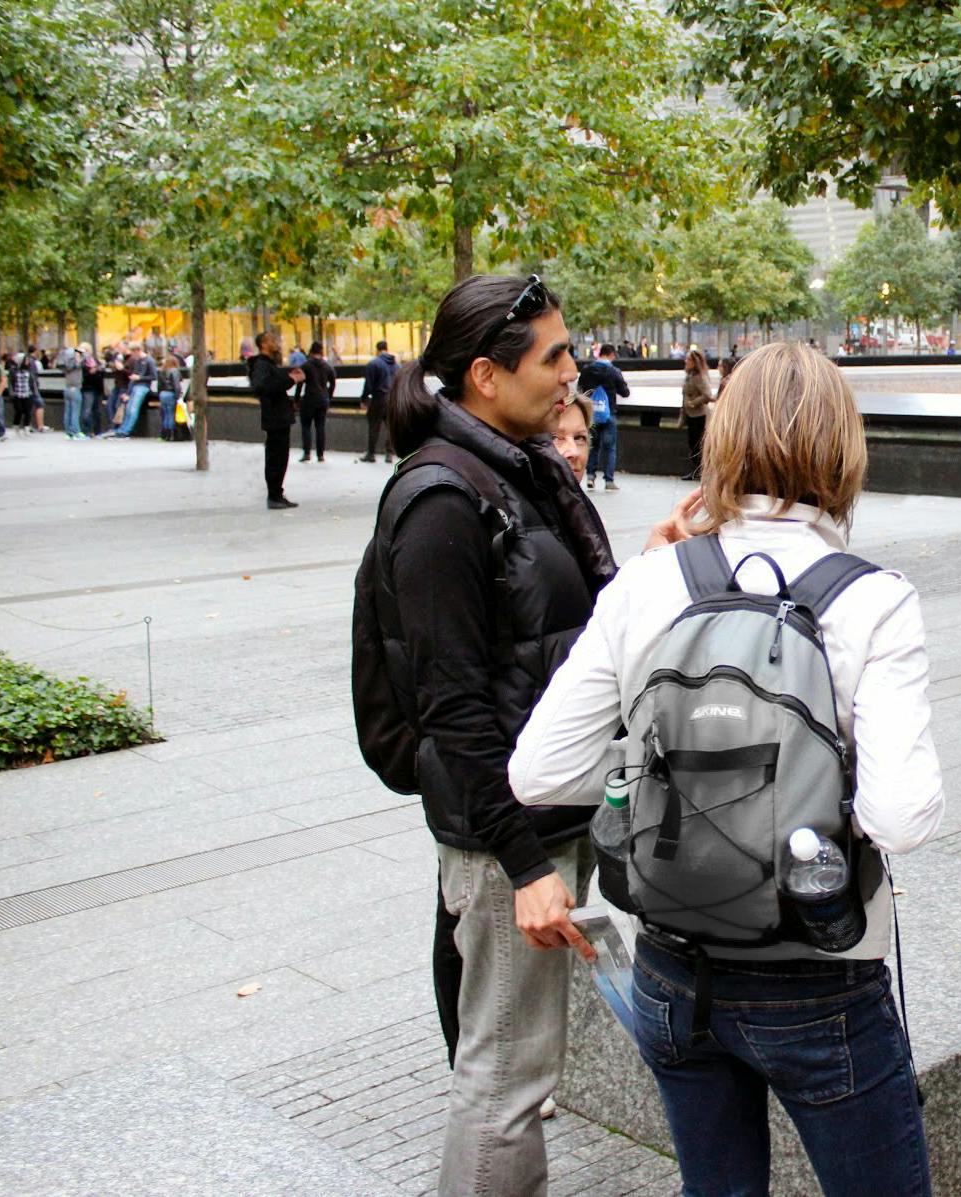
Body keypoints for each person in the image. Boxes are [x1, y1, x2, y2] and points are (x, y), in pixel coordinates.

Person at [509, 342, 943, 1197]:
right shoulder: (874, 599)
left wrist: (665, 761)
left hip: (674, 969)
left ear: (722, 439)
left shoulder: (647, 582)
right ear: (843, 450)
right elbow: (900, 818)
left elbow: (537, 772)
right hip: (820, 976)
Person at [366, 273, 616, 1197]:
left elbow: (557, 637)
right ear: (484, 374)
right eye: (554, 355)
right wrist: (523, 865)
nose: (571, 371)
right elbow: (454, 708)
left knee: (519, 1067)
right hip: (508, 833)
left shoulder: (519, 471)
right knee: (507, 1075)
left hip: (548, 811)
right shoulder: (442, 499)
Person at [248, 331, 305, 509]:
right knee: (276, 458)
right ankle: (274, 496)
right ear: (263, 344)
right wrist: (290, 379)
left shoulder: (268, 364)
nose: (276, 342)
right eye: (272, 340)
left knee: (281, 457)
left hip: (279, 417)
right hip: (274, 418)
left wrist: (289, 376)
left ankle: (277, 494)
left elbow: (275, 380)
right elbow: (262, 386)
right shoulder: (261, 365)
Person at [577, 342, 627, 491]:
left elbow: (580, 389)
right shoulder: (613, 371)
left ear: (600, 354)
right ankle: (609, 481)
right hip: (609, 413)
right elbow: (625, 392)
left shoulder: (587, 370)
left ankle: (590, 477)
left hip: (592, 414)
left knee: (592, 446)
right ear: (611, 355)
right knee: (610, 448)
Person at [360, 340, 397, 463]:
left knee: (374, 426)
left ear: (377, 350)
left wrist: (364, 399)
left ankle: (371, 454)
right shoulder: (396, 365)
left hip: (379, 398)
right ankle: (389, 454)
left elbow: (368, 385)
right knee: (390, 427)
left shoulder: (374, 364)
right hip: (392, 399)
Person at [299, 339, 336, 462]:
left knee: (306, 426)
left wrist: (296, 399)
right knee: (320, 427)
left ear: (311, 351)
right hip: (322, 400)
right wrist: (328, 396)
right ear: (321, 351)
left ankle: (307, 453)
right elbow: (333, 383)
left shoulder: (305, 366)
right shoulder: (327, 366)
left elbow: (299, 384)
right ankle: (320, 455)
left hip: (309, 399)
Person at [678, 348, 713, 480]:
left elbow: (707, 394)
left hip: (699, 416)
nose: (685, 361)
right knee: (693, 443)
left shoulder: (699, 377)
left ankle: (699, 471)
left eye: (688, 359)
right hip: (691, 415)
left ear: (694, 362)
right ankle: (696, 470)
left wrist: (693, 403)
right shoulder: (690, 376)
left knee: (698, 444)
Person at [115, 348, 158, 437]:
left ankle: (126, 430)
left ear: (138, 351)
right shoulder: (137, 361)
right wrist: (128, 393)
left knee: (133, 408)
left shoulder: (149, 361)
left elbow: (154, 376)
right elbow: (133, 377)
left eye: (133, 353)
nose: (133, 356)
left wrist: (140, 378)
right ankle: (123, 429)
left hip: (143, 386)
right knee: (129, 409)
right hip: (135, 385)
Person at [57, 343, 84, 439]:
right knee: (75, 412)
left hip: (67, 388)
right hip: (75, 388)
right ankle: (75, 431)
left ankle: (68, 432)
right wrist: (78, 359)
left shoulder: (66, 365)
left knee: (68, 411)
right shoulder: (76, 363)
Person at [158, 354, 184, 441]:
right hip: (170, 393)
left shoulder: (162, 371)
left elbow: (159, 385)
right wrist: (178, 395)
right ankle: (171, 435)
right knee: (171, 415)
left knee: (165, 414)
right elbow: (176, 385)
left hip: (163, 394)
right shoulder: (174, 371)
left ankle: (165, 434)